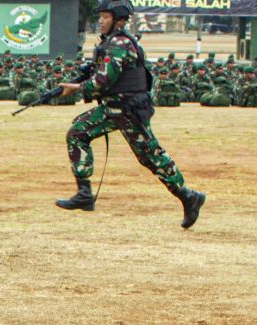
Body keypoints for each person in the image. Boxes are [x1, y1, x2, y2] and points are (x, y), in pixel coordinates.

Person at [55, 0, 204, 229]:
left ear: (118, 20)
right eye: (100, 17)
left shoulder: (121, 43)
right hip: (112, 108)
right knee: (77, 133)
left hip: (128, 109)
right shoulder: (108, 43)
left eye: (105, 17)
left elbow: (104, 80)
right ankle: (84, 193)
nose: (101, 22)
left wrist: (76, 89)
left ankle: (188, 197)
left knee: (151, 157)